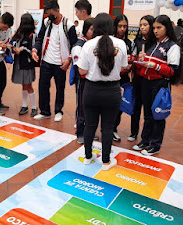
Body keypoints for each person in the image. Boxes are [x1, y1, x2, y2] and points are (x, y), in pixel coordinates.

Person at [78, 13, 128, 171]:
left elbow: (81, 70)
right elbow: (122, 68)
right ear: (112, 27)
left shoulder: (88, 45)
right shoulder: (120, 44)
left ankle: (87, 157)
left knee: (89, 125)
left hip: (91, 90)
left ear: (96, 27)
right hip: (112, 91)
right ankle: (106, 161)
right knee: (107, 127)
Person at [134, 15, 181, 156]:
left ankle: (155, 144)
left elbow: (173, 70)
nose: (155, 31)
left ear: (167, 28)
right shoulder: (151, 43)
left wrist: (155, 66)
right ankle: (145, 140)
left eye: (159, 28)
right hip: (146, 82)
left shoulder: (172, 46)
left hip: (160, 84)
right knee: (147, 113)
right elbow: (144, 63)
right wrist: (140, 59)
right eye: (154, 28)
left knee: (158, 115)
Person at [31, 0, 78, 122]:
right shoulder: (47, 22)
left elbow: (75, 45)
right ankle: (45, 111)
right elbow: (40, 38)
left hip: (60, 63)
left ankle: (58, 111)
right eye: (48, 15)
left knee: (60, 88)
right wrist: (35, 49)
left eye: (52, 15)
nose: (49, 17)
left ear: (58, 11)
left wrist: (69, 60)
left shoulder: (68, 25)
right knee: (43, 86)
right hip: (46, 61)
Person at [130, 15, 155, 149]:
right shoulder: (138, 40)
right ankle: (134, 132)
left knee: (148, 108)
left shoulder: (155, 42)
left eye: (145, 24)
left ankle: (147, 136)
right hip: (138, 78)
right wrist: (134, 58)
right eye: (141, 25)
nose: (142, 27)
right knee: (136, 106)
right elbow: (133, 55)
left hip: (149, 79)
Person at [72, 17, 94, 144]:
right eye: (91, 29)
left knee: (90, 107)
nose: (93, 31)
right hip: (82, 80)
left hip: (91, 80)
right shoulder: (79, 45)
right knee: (82, 106)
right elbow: (79, 67)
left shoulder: (92, 42)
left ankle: (88, 131)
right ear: (86, 29)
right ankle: (80, 132)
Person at [112, 14, 134, 142]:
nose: (122, 29)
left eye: (125, 26)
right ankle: (106, 128)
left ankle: (114, 128)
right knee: (107, 105)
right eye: (120, 26)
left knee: (119, 105)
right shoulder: (108, 40)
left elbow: (132, 60)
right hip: (109, 78)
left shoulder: (129, 43)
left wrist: (129, 65)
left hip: (123, 79)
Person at [11, 13, 38, 117]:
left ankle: (34, 107)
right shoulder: (19, 34)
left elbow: (34, 50)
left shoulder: (32, 35)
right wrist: (13, 47)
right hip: (19, 62)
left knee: (28, 85)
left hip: (27, 63)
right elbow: (13, 43)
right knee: (24, 85)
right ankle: (24, 106)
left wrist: (22, 49)